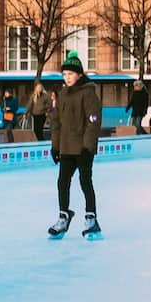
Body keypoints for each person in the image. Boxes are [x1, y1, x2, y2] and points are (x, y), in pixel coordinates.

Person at [47, 53, 103, 240]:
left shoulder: (88, 93)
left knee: (85, 182)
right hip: (66, 148)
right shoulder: (62, 95)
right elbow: (56, 122)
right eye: (64, 74)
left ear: (79, 74)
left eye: (70, 74)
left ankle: (91, 218)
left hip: (82, 148)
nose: (67, 78)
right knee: (62, 182)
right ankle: (64, 216)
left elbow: (93, 121)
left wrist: (88, 147)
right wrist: (55, 147)